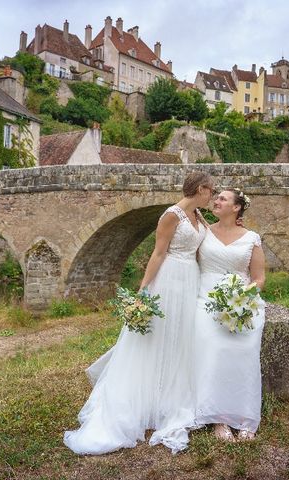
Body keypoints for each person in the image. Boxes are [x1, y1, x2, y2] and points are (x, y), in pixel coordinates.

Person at [64, 172, 215, 455]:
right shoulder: (171, 215)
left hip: (191, 280)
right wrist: (143, 291)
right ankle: (144, 399)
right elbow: (158, 254)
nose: (213, 196)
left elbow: (207, 244)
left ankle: (172, 395)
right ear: (200, 188)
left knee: (182, 337)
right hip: (170, 279)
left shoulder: (199, 216)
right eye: (211, 191)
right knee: (158, 337)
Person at [193, 188, 266, 441]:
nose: (216, 200)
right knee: (215, 349)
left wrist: (241, 299)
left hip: (241, 303)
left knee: (244, 353)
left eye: (223, 198)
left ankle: (245, 418)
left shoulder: (251, 238)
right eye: (217, 197)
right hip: (205, 301)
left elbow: (259, 279)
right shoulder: (202, 232)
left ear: (236, 207)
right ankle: (219, 419)